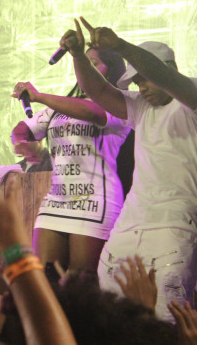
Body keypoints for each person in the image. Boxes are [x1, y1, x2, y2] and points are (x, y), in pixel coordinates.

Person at [60, 17, 197, 323]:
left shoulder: (190, 98)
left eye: (146, 79)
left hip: (172, 228)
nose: (142, 88)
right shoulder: (142, 107)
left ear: (171, 70)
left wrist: (120, 46)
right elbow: (98, 91)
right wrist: (79, 56)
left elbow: (166, 78)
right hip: (126, 228)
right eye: (137, 82)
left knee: (166, 327)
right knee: (116, 325)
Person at [10, 47, 130, 273]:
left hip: (94, 201)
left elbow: (92, 113)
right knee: (47, 277)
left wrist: (40, 96)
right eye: (83, 63)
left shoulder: (119, 103)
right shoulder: (59, 107)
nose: (86, 69)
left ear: (112, 69)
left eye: (94, 64)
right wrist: (22, 143)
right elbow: (23, 128)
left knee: (81, 284)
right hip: (57, 200)